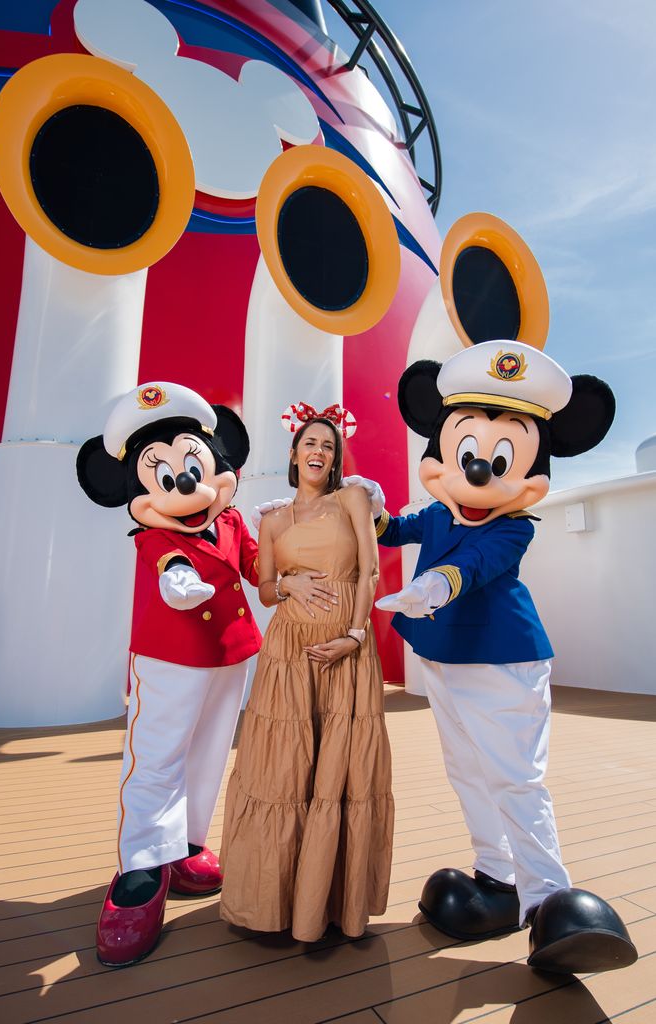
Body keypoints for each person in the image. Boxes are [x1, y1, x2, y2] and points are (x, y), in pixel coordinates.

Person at [373, 341, 637, 975]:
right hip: (444, 659)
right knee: (467, 770)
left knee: (515, 778)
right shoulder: (437, 511)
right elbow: (391, 528)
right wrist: (366, 501)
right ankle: (497, 877)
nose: (480, 473)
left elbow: (476, 564)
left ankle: (550, 901)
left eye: (500, 459)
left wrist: (431, 587)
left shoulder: (512, 525)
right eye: (467, 454)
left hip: (500, 663)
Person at [76, 382, 261, 966]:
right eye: (164, 475)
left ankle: (184, 843)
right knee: (156, 758)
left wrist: (297, 539)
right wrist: (179, 582)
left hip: (229, 653)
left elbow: (259, 566)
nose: (186, 486)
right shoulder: (154, 534)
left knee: (208, 752)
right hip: (169, 657)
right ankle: (141, 869)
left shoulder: (231, 522)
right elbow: (169, 563)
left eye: (195, 467)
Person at [220, 405, 394, 941]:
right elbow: (266, 589)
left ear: (335, 458)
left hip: (347, 649)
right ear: (293, 454)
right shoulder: (271, 519)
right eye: (310, 444)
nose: (319, 452)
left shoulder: (352, 499)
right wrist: (289, 587)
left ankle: (333, 906)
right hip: (288, 652)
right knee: (285, 771)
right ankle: (273, 903)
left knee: (340, 772)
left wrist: (356, 635)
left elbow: (368, 569)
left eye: (328, 446)